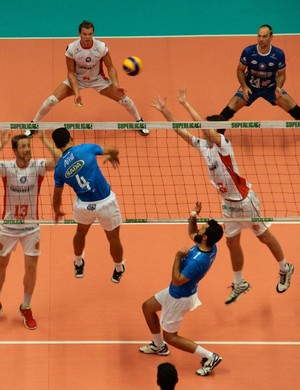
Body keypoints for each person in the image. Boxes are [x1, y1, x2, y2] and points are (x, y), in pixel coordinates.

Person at [151, 88, 294, 304]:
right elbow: (181, 131)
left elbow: (205, 130)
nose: (202, 132)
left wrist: (186, 105)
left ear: (215, 131)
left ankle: (285, 268)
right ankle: (239, 283)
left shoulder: (223, 146)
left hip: (245, 201)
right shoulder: (204, 147)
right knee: (231, 243)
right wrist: (165, 111)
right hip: (228, 205)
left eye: (207, 128)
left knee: (263, 235)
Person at [140, 202, 224, 377]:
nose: (200, 229)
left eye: (203, 228)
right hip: (177, 292)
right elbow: (193, 233)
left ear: (206, 237)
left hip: (179, 297)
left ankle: (210, 356)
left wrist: (177, 258)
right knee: (147, 307)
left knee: (171, 337)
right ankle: (158, 345)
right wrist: (194, 215)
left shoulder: (197, 262)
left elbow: (177, 280)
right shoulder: (210, 246)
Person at [26, 20, 149, 137]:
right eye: (84, 34)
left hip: (97, 79)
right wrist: (76, 92)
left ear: (93, 34)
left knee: (125, 100)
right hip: (77, 79)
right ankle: (34, 124)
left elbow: (110, 67)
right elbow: (70, 72)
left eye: (90, 34)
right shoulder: (72, 49)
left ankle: (139, 121)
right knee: (51, 101)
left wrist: (116, 85)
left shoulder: (101, 47)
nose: (87, 37)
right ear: (79, 34)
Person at [0, 130, 60, 329]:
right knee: (1, 267)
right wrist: (1, 144)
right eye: (23, 146)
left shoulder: (37, 166)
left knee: (32, 268)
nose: (27, 148)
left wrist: (44, 140)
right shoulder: (7, 167)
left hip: (30, 226)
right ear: (15, 150)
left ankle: (26, 307)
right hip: (7, 226)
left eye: (28, 145)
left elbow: (60, 161)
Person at [51, 127, 125, 283]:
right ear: (71, 138)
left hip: (84, 206)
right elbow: (114, 149)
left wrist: (57, 211)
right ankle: (118, 269)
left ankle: (78, 263)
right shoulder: (86, 148)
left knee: (80, 233)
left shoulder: (59, 169)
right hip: (106, 203)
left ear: (57, 146)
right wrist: (112, 155)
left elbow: (57, 196)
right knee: (113, 238)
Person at [213, 24, 300, 123]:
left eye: (264, 36)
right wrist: (244, 87)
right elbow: (240, 70)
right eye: (259, 36)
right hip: (250, 88)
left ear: (271, 37)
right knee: (226, 113)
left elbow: (282, 74)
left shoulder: (279, 54)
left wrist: (278, 87)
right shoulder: (248, 51)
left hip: (271, 88)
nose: (261, 39)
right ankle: (215, 134)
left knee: (297, 111)